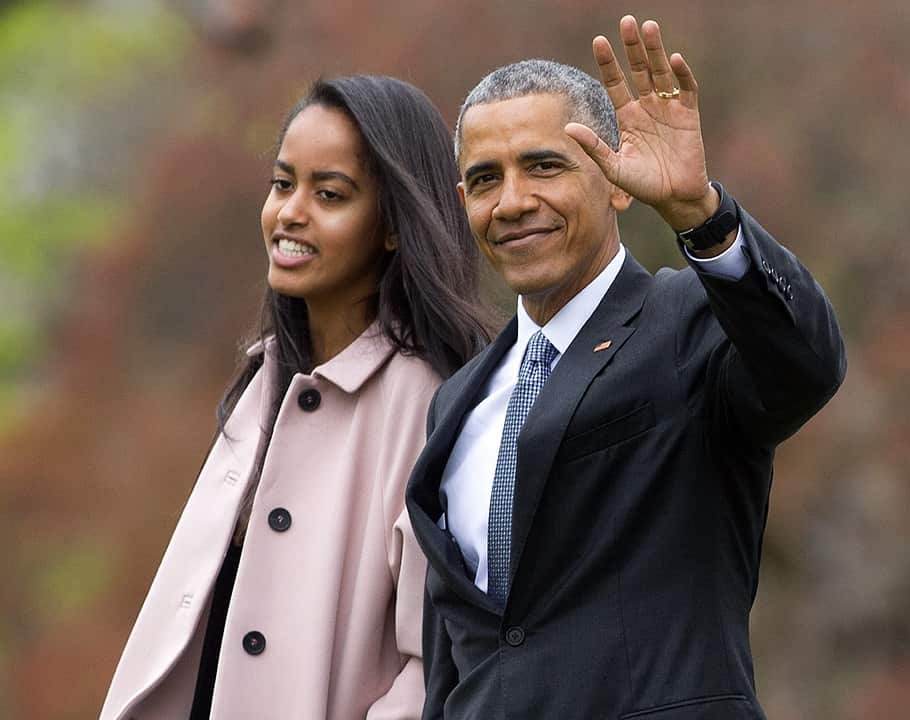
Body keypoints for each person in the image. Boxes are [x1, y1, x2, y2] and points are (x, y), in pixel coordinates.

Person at [406, 15, 846, 720]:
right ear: (465, 204)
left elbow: (807, 365)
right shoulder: (458, 400)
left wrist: (702, 214)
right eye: (486, 179)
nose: (514, 201)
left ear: (614, 178)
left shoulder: (688, 321)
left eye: (545, 165)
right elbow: (461, 658)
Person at [100, 75, 491, 720]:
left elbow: (439, 660)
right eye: (283, 184)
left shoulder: (431, 403)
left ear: (393, 224)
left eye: (329, 194)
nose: (290, 212)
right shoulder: (263, 382)